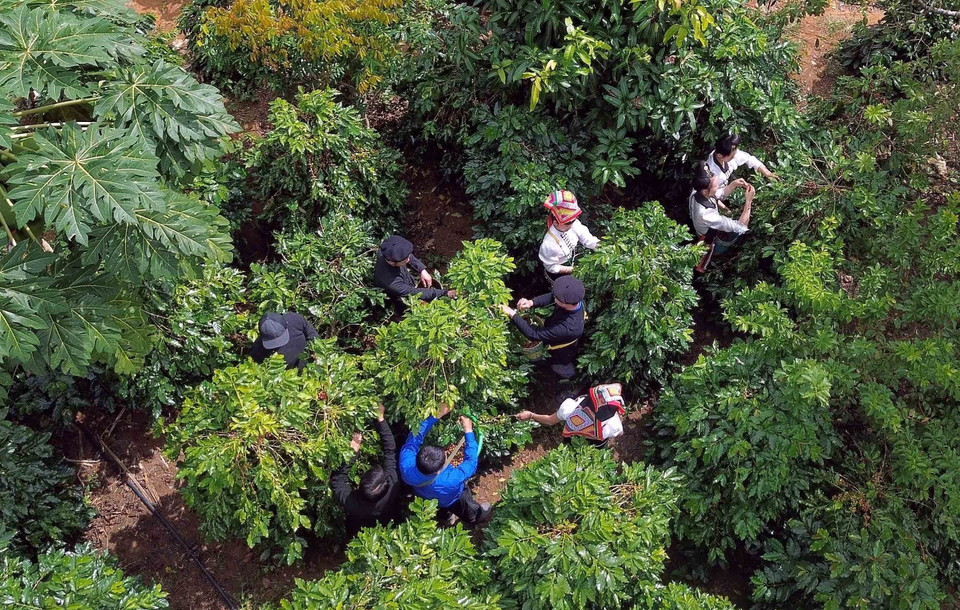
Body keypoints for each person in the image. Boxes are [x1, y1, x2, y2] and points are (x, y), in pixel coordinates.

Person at [399, 404, 491, 525]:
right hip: (452, 500)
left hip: (423, 495)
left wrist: (437, 415)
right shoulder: (450, 479)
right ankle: (476, 517)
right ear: (439, 469)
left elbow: (414, 437)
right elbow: (471, 463)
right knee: (466, 509)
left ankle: (446, 517)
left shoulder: (406, 465)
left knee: (438, 507)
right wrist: (468, 431)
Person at [331, 403, 400, 539]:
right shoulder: (393, 484)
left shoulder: (352, 504)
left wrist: (352, 453)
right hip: (386, 519)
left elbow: (337, 480)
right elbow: (390, 452)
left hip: (359, 528)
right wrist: (380, 419)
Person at [499, 276, 585, 380]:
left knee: (558, 364)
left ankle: (565, 377)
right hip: (559, 332)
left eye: (557, 298)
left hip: (561, 350)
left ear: (565, 303)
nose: (554, 297)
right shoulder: (575, 299)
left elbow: (533, 334)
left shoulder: (569, 327)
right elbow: (552, 297)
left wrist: (511, 313)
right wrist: (532, 302)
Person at [515, 383, 625, 448]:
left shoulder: (569, 407)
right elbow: (620, 433)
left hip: (571, 444)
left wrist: (531, 415)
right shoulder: (614, 426)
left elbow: (549, 420)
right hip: (594, 450)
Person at [689, 165, 754, 272]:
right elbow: (741, 227)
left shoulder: (696, 191)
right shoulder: (708, 215)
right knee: (734, 235)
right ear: (705, 191)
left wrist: (733, 185)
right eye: (716, 185)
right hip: (713, 239)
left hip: (703, 228)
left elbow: (716, 195)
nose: (718, 186)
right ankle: (718, 257)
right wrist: (749, 201)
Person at [374, 235, 456, 306]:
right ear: (392, 261)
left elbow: (407, 256)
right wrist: (445, 293)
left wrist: (422, 270)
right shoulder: (390, 282)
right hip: (400, 296)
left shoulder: (388, 251)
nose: (409, 259)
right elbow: (414, 292)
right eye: (405, 260)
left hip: (406, 280)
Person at [538, 190, 599, 285]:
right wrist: (572, 270)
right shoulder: (548, 244)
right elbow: (551, 267)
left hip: (572, 260)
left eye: (572, 221)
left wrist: (601, 246)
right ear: (555, 223)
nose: (571, 224)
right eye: (567, 223)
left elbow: (587, 239)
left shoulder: (573, 224)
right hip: (559, 273)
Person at [706, 133, 778, 200]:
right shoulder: (711, 171)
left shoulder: (729, 153)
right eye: (732, 156)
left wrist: (766, 172)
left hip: (725, 188)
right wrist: (733, 185)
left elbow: (750, 159)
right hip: (713, 198)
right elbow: (711, 194)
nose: (735, 156)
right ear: (720, 156)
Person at [250, 311, 319, 371]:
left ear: (286, 325)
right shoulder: (257, 351)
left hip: (310, 367)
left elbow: (312, 335)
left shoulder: (296, 320)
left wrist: (317, 354)